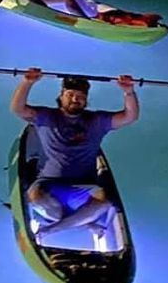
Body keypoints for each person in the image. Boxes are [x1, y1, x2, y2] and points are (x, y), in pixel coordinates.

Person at [10, 68, 140, 236]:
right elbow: (18, 109)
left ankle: (51, 228)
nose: (75, 99)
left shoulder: (97, 121)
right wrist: (27, 82)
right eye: (70, 94)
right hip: (48, 184)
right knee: (36, 197)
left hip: (83, 187)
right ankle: (84, 224)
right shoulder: (46, 116)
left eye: (80, 97)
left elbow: (130, 116)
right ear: (61, 96)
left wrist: (128, 92)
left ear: (86, 101)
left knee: (104, 202)